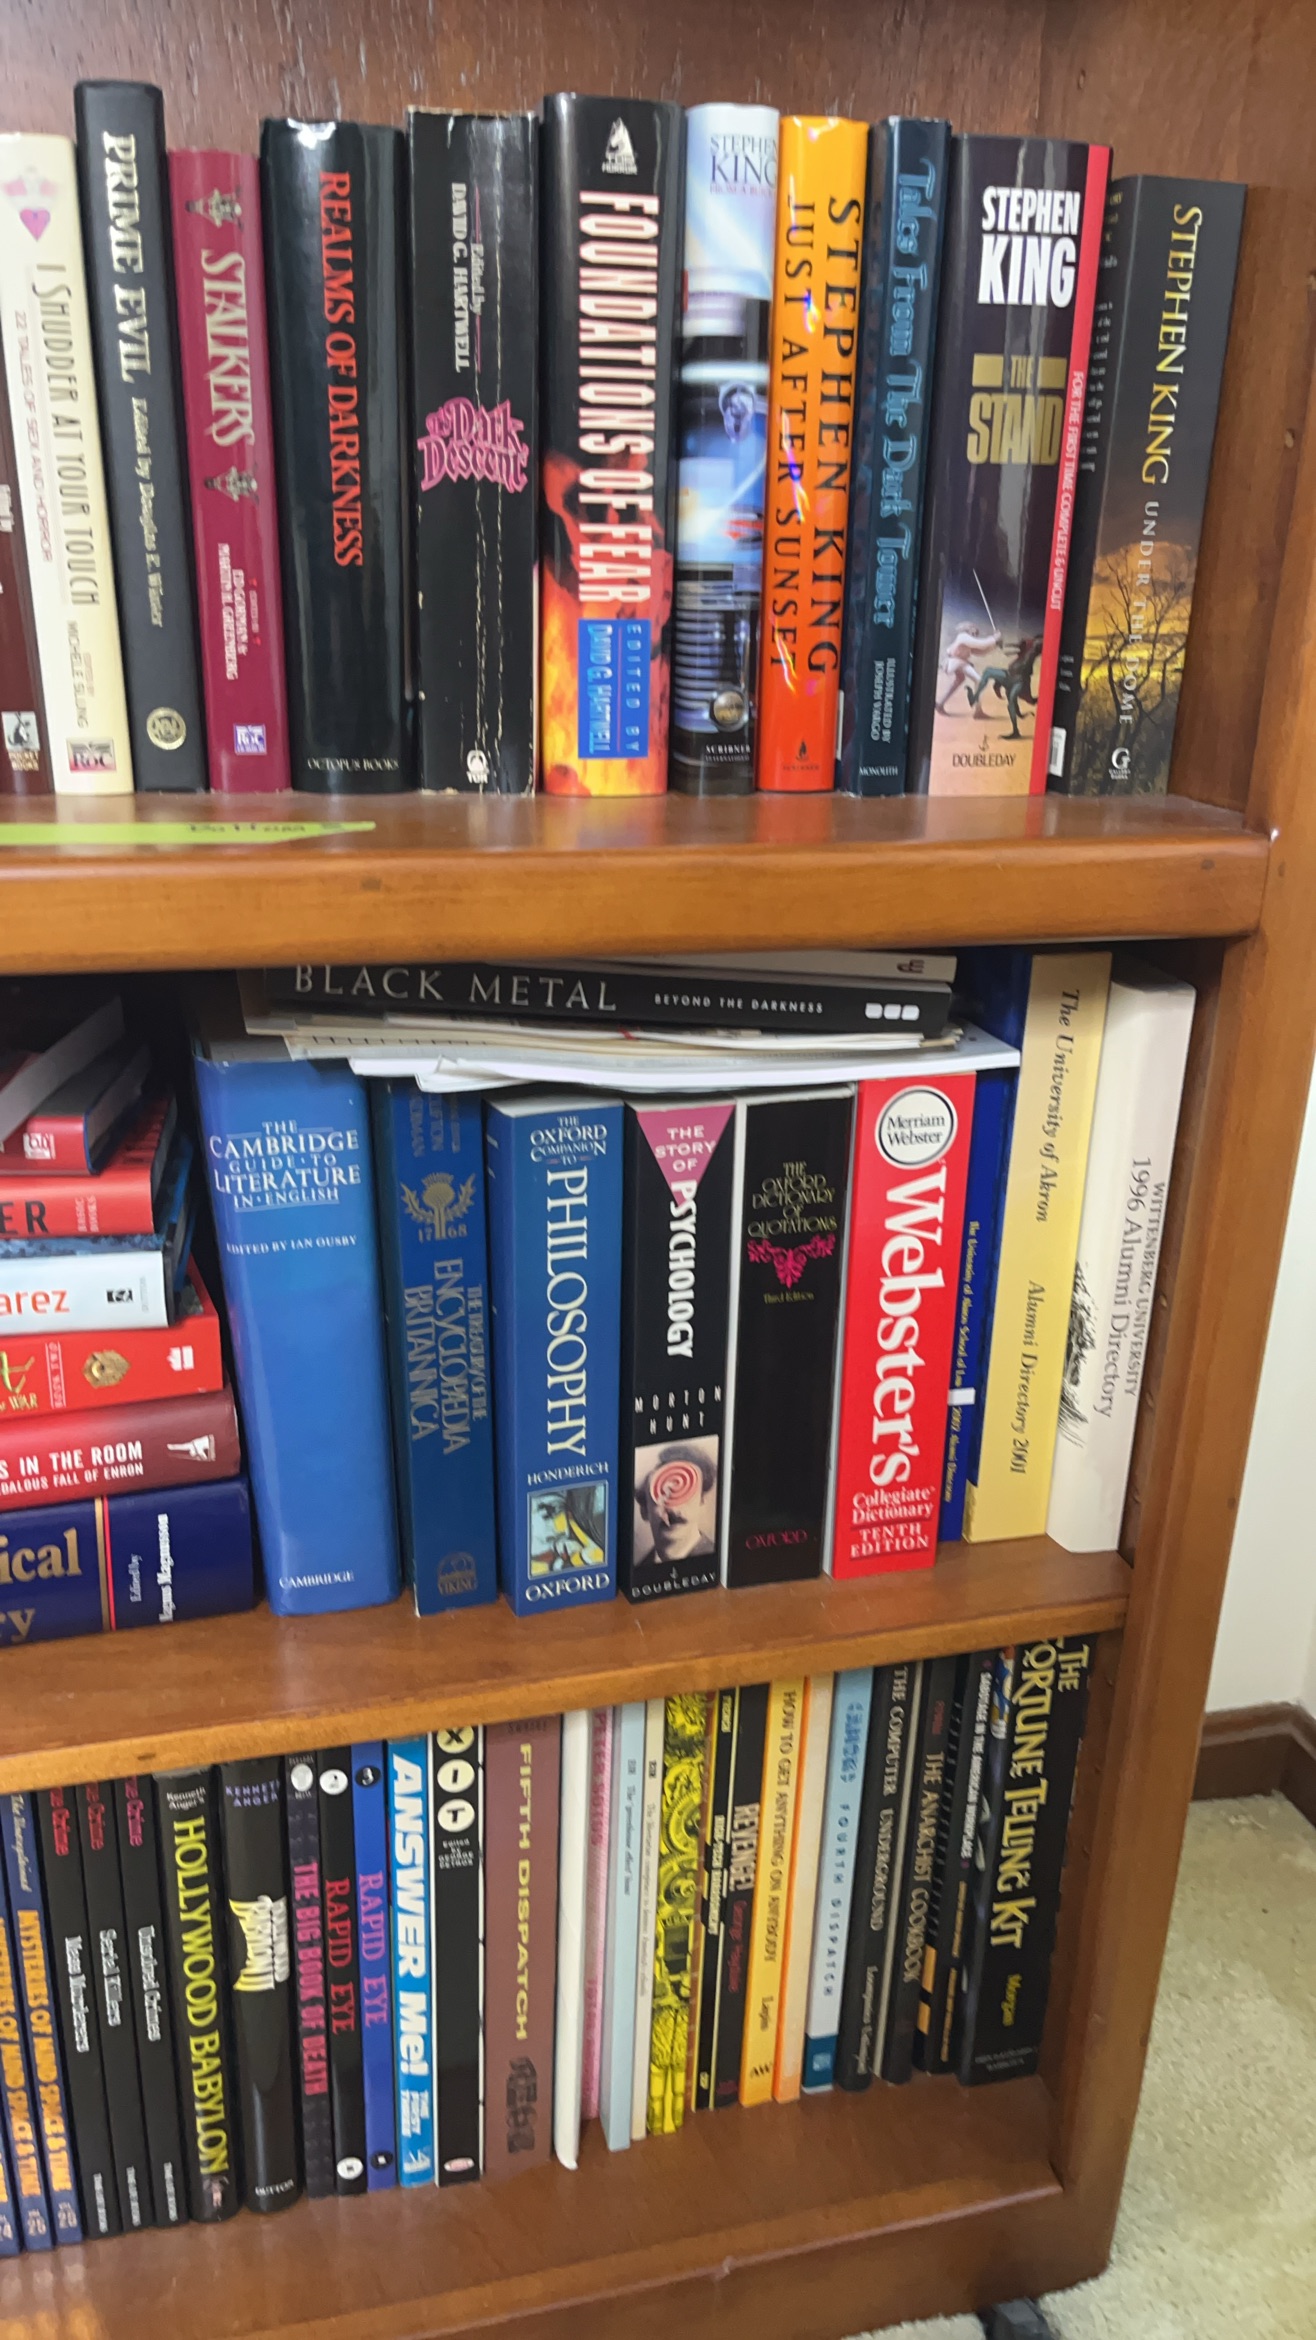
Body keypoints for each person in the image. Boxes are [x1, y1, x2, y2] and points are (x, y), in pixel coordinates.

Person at [637, 1443, 717, 1568]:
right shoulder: (639, 1569)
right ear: (644, 1510)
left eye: (684, 1493)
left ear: (702, 1500)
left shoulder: (717, 1559)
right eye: (662, 1495)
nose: (673, 1509)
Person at [936, 624, 1001, 714]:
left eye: (976, 633)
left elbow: (981, 652)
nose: (975, 634)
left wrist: (995, 645)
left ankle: (940, 704)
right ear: (968, 629)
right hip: (956, 662)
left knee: (960, 680)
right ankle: (978, 711)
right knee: (978, 680)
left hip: (959, 663)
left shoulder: (967, 640)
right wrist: (994, 638)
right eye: (973, 631)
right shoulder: (963, 636)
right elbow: (981, 644)